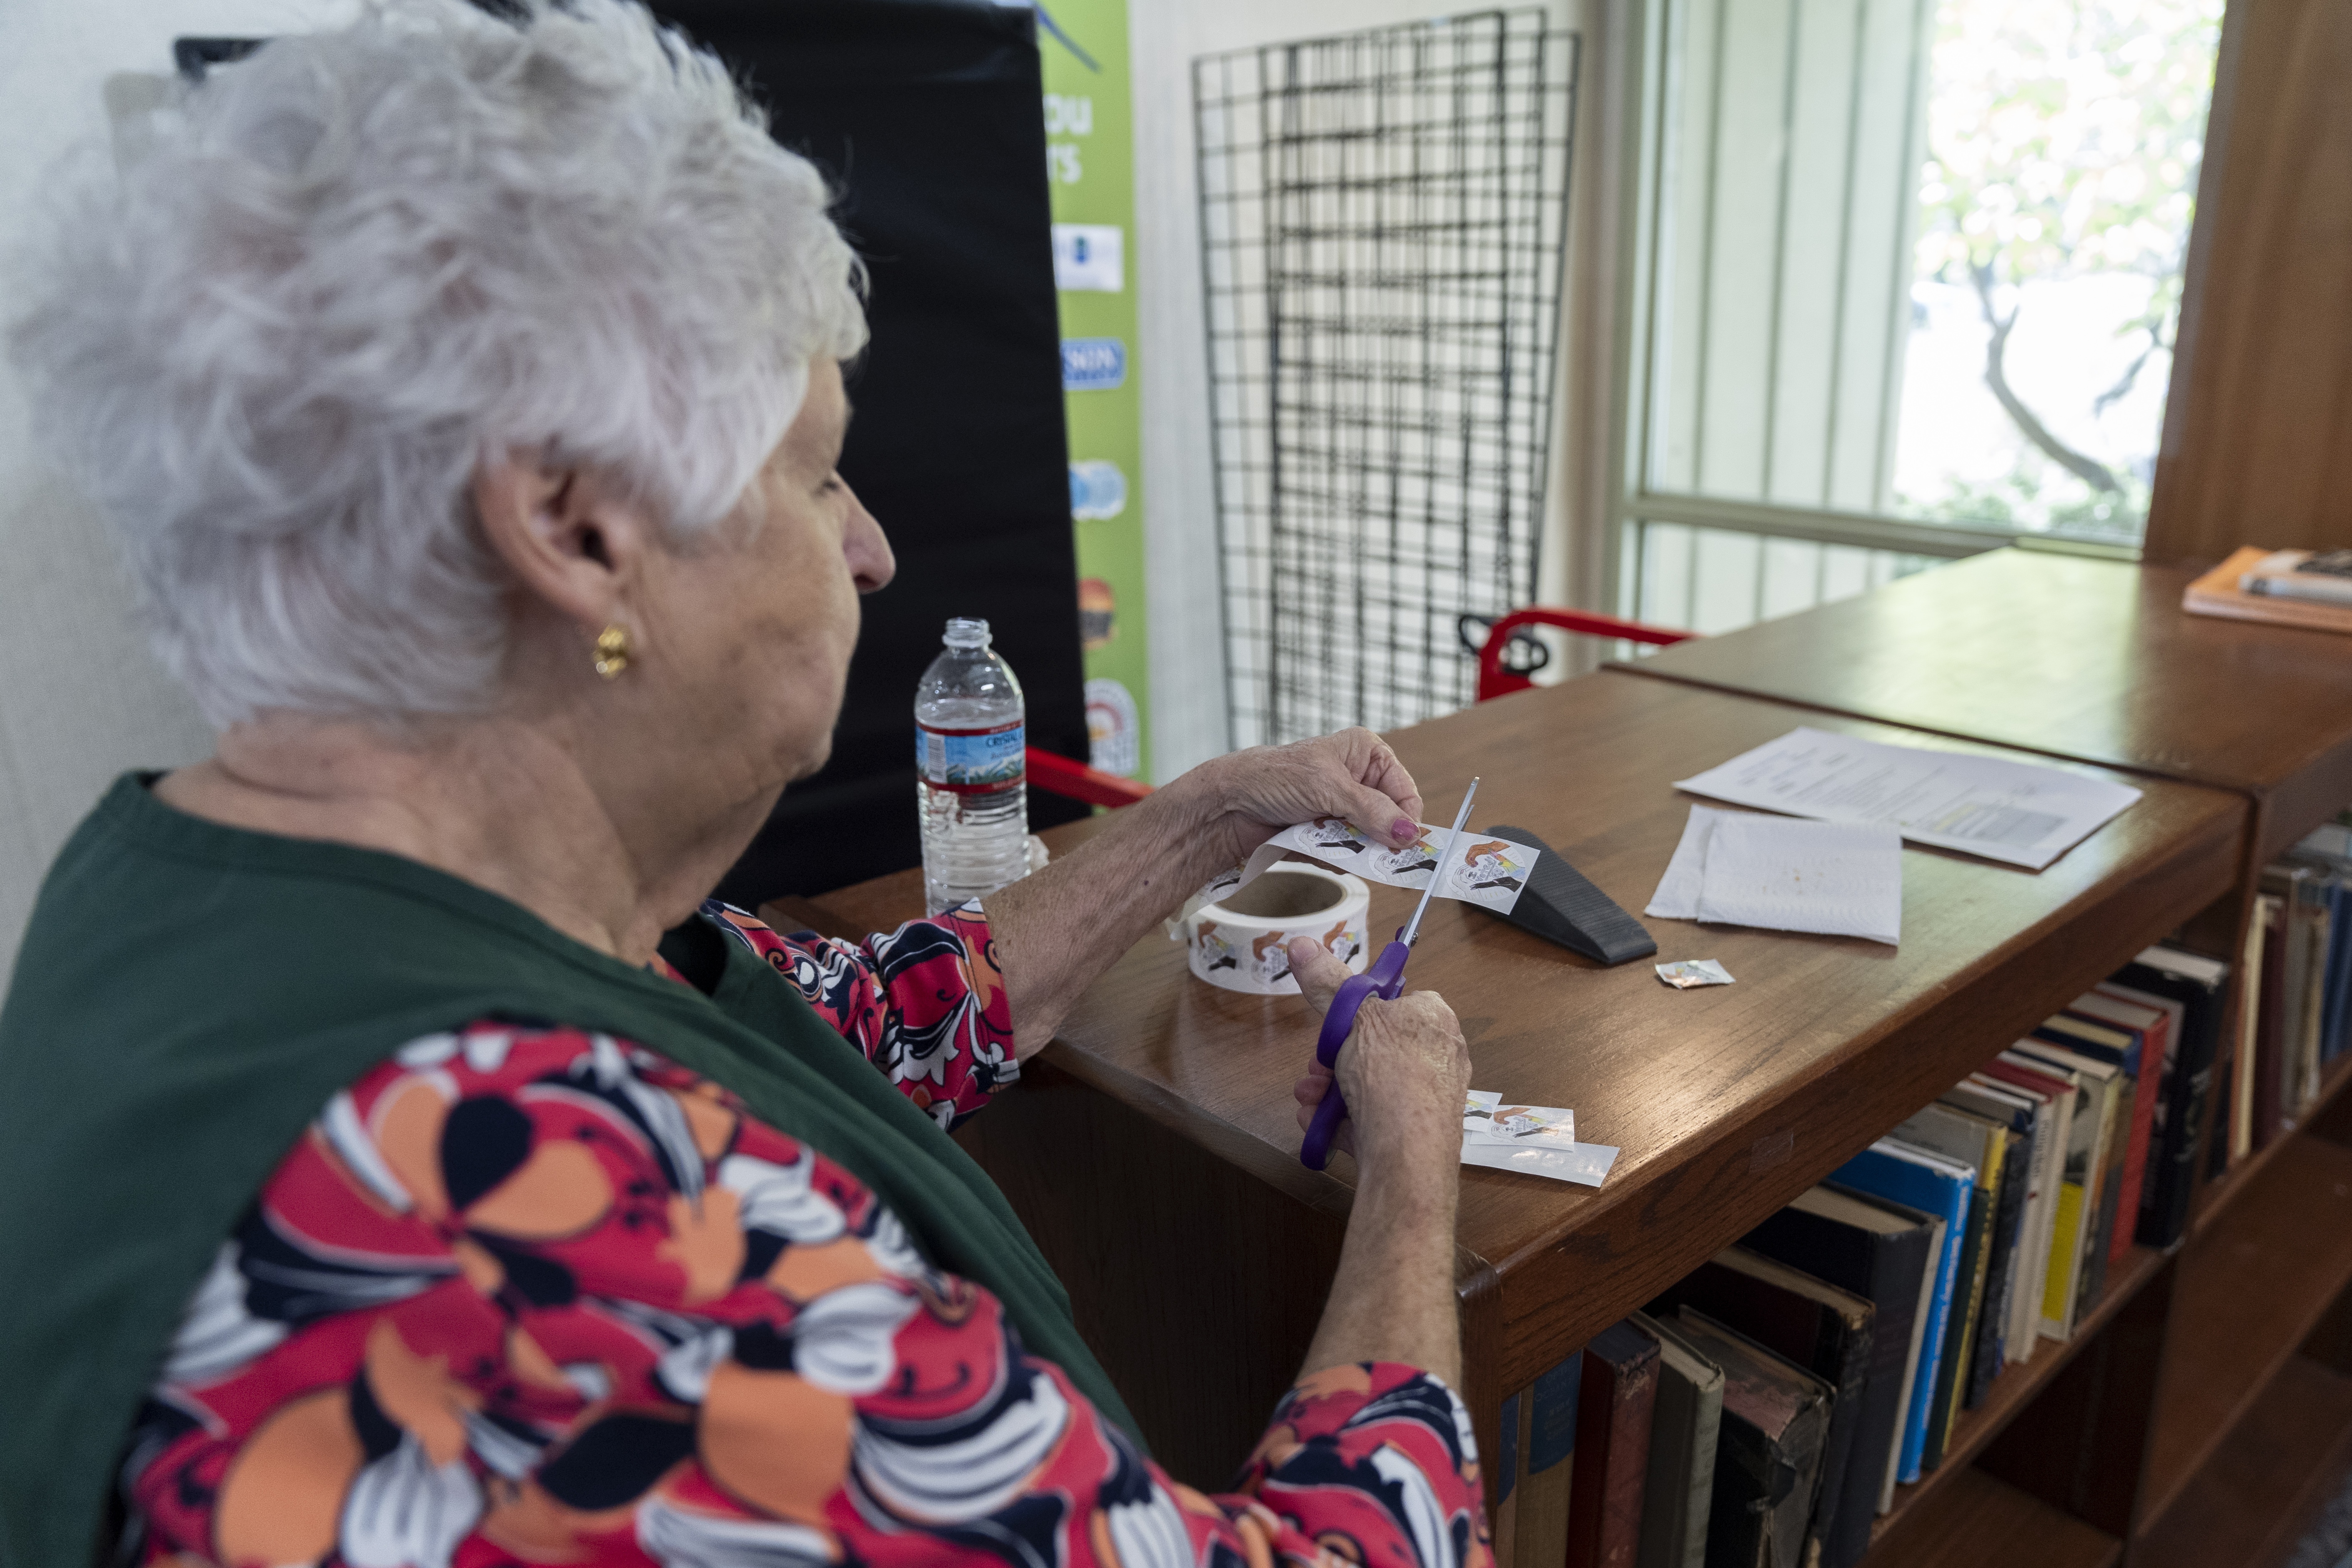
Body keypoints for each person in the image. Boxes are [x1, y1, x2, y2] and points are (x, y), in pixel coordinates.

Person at [0, 5, 1484, 1566]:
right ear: (575, 531)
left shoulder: (210, 895)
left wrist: (1210, 810)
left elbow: (872, 1017)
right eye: (816, 471)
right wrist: (1410, 1162)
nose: (871, 549)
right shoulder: (558, 1241)